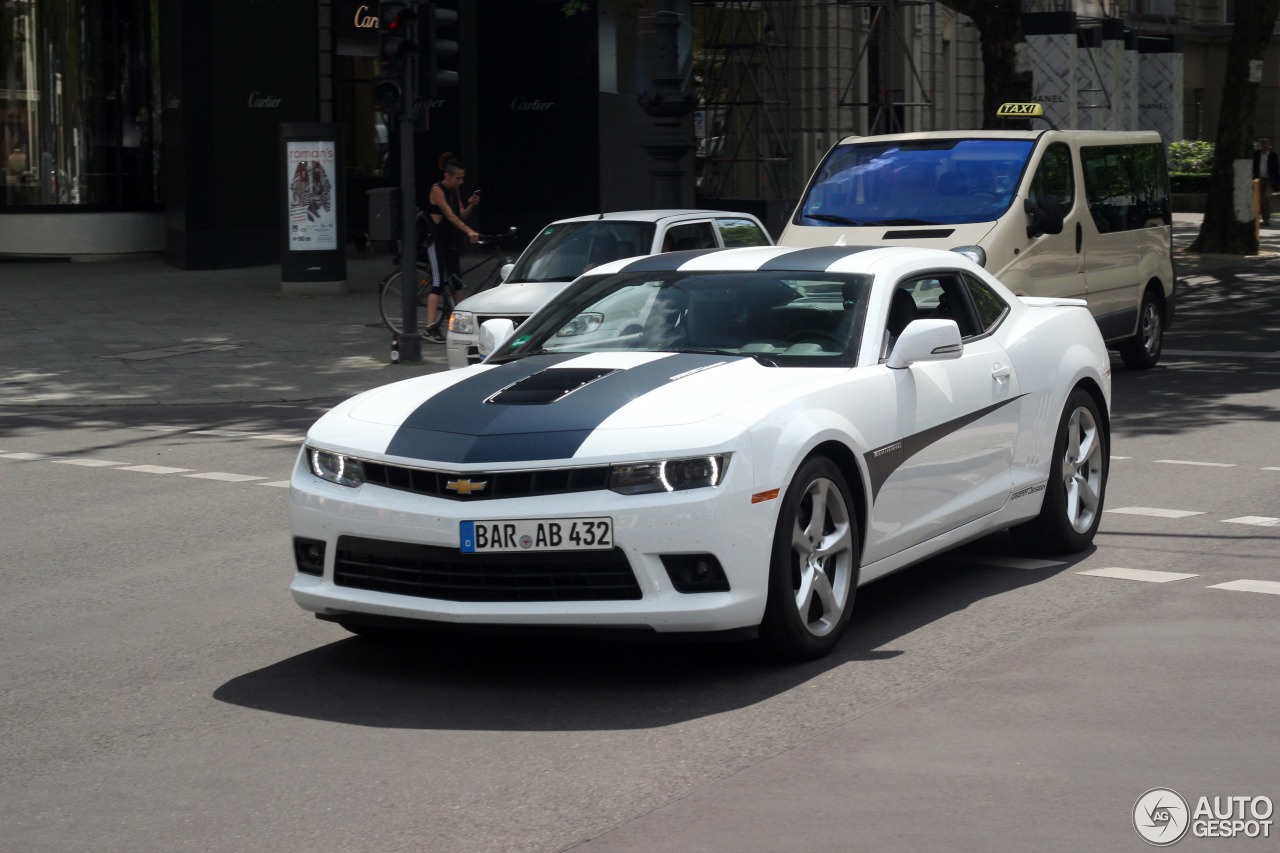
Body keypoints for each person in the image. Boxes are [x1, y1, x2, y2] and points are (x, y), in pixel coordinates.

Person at [423, 154, 480, 342]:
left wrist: (471, 205)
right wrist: (470, 231)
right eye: (458, 178)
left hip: (450, 241)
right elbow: (449, 215)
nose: (461, 182)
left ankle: (459, 324)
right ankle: (430, 327)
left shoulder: (454, 190)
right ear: (447, 175)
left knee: (457, 281)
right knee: (438, 282)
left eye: (462, 178)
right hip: (435, 241)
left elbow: (461, 214)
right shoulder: (437, 190)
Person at [1253, 138, 1279, 227]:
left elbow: (1276, 169)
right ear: (1261, 145)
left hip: (1269, 180)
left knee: (1265, 198)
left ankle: (1266, 219)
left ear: (1269, 145)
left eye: (1266, 144)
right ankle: (1264, 219)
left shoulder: (1273, 155)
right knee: (1260, 199)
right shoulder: (1257, 154)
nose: (1265, 146)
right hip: (1259, 179)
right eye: (1263, 144)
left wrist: (1275, 182)